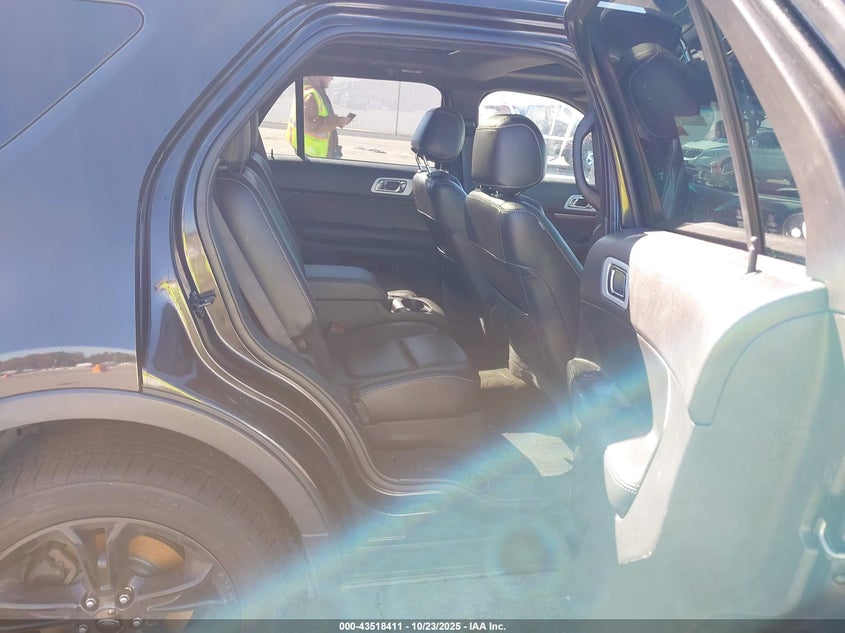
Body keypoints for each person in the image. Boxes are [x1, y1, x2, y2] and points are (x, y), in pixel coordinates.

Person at [286, 76, 355, 158]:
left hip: (307, 149)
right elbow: (308, 124)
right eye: (330, 75)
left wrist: (337, 121)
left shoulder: (306, 90)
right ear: (318, 75)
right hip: (312, 152)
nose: (332, 78)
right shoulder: (311, 95)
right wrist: (337, 121)